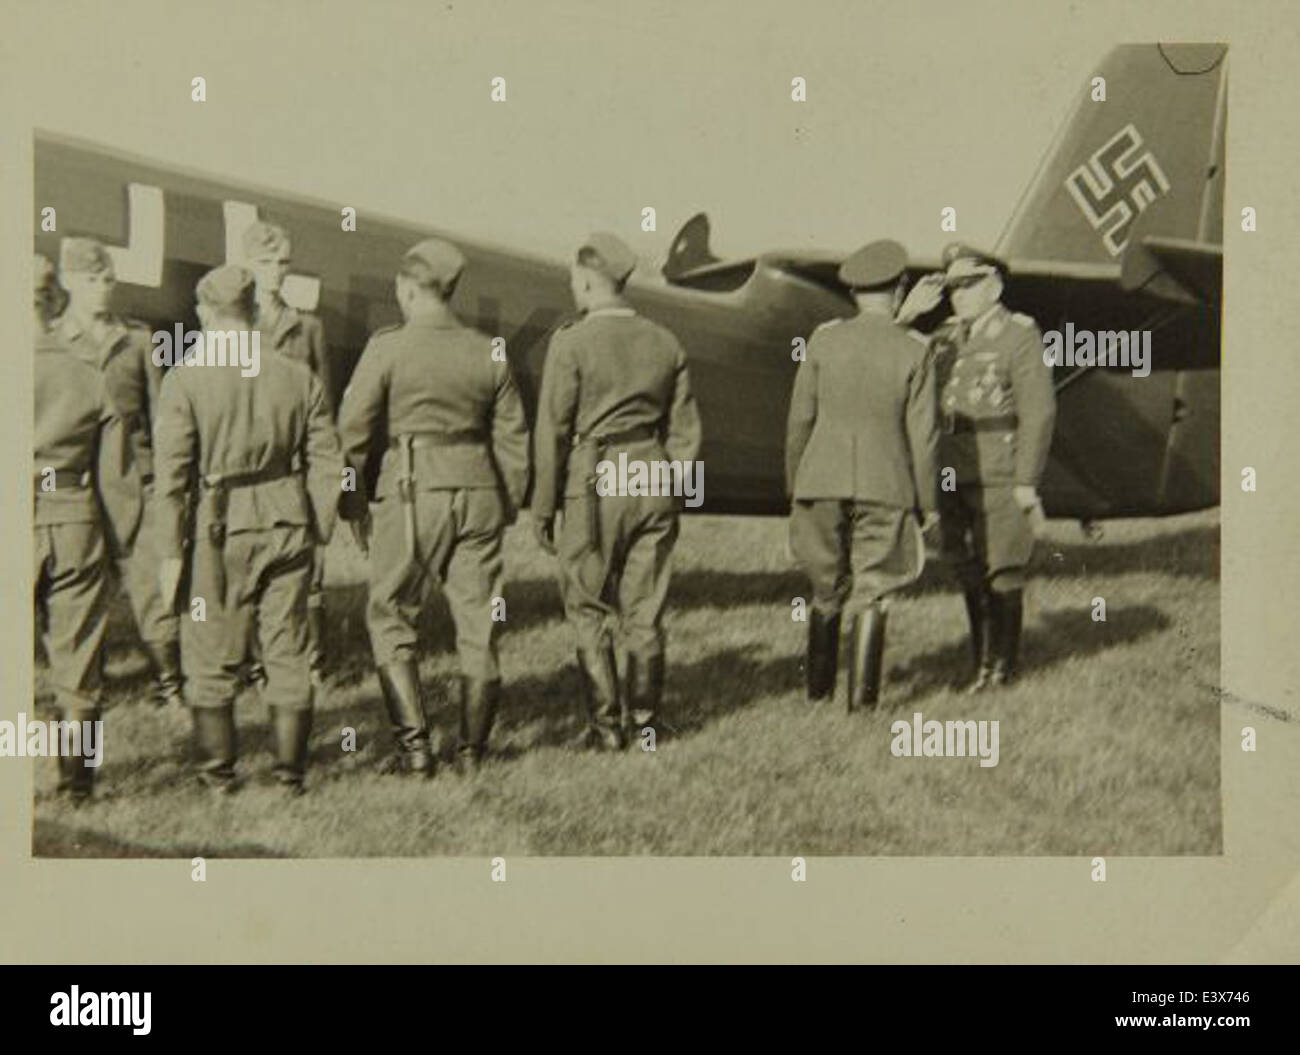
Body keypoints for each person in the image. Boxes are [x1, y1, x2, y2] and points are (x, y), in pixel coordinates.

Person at [337, 239, 529, 775]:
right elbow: (514, 437)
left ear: (406, 287)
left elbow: (351, 433)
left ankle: (416, 751)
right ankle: (472, 753)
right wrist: (507, 502)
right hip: (481, 492)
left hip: (413, 489)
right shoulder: (489, 349)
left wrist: (353, 502)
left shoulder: (387, 347)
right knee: (479, 622)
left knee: (392, 613)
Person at [152, 265, 343, 794]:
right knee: (287, 647)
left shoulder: (184, 378)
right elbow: (328, 460)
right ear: (255, 311)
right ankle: (289, 777)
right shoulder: (297, 375)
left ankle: (218, 779)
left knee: (209, 650)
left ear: (203, 314)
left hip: (219, 526)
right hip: (288, 520)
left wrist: (169, 554)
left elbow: (169, 480)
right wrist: (318, 525)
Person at [532, 232, 702, 749]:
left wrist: (543, 505)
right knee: (644, 607)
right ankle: (647, 725)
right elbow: (686, 431)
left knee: (586, 604)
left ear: (586, 280)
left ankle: (606, 728)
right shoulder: (665, 340)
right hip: (651, 470)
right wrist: (678, 492)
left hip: (596, 471)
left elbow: (552, 429)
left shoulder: (571, 341)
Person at [785, 239, 939, 710]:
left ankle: (817, 694)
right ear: (900, 290)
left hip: (819, 479)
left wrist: (796, 484)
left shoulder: (823, 338)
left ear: (853, 292)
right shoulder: (916, 348)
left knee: (824, 587)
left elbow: (799, 421)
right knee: (873, 591)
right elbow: (924, 436)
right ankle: (862, 705)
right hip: (885, 482)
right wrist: (927, 503)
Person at [897, 245, 1057, 690]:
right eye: (952, 288)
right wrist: (905, 318)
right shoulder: (944, 336)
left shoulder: (1019, 334)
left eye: (969, 285)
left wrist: (1027, 481)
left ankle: (1002, 669)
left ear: (995, 285)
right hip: (950, 470)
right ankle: (980, 663)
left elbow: (1038, 412)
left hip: (998, 469)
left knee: (1002, 567)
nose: (958, 296)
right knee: (965, 566)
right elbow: (892, 358)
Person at [54, 237, 181, 708]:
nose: (102, 289)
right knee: (82, 587)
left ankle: (169, 680)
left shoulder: (139, 340)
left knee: (148, 582)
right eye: (91, 280)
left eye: (107, 279)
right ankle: (90, 680)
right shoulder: (53, 341)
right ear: (69, 282)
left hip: (136, 479)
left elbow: (160, 416)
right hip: (78, 482)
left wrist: (165, 479)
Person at [33, 254, 115, 802]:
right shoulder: (87, 373)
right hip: (75, 513)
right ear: (54, 302)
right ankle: (78, 784)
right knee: (80, 655)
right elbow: (119, 477)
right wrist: (124, 544)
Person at [243, 221, 335, 686]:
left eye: (282, 264)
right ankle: (258, 665)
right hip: (247, 470)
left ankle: (313, 664)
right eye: (264, 263)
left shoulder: (307, 328)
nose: (275, 273)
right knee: (250, 569)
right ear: (246, 265)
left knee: (307, 570)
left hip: (295, 467)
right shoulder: (231, 328)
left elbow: (325, 410)